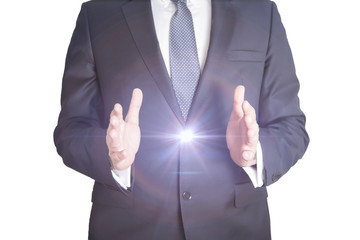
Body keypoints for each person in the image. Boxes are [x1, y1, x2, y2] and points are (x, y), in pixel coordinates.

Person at [54, 0, 309, 239]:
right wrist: (113, 157)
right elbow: (71, 128)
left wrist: (254, 153)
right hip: (128, 228)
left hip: (236, 228)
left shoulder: (260, 13)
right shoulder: (98, 15)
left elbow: (290, 126)